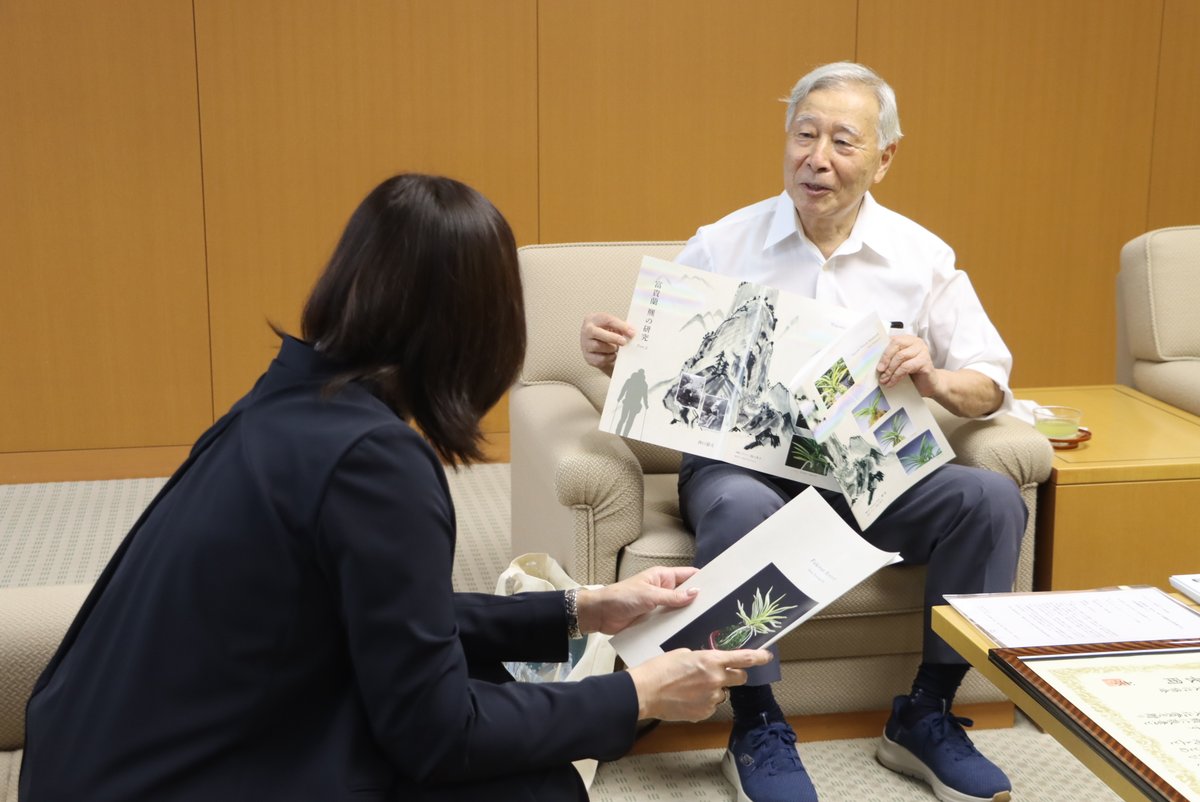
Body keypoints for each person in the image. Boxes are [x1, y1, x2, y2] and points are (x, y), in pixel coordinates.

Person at [19, 173, 773, 802]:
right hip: (183, 779)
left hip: (93, 761)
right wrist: (640, 694)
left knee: (491, 682)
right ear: (477, 327)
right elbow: (440, 736)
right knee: (534, 787)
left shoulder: (287, 399)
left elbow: (393, 618)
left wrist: (584, 610)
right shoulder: (375, 463)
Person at [580, 63, 1024, 802]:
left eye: (843, 142)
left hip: (870, 475)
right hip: (743, 471)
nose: (817, 159)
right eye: (804, 135)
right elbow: (655, 358)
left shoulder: (921, 256)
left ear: (884, 158)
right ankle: (755, 722)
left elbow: (991, 381)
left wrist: (936, 379)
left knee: (991, 500)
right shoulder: (724, 243)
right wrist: (611, 350)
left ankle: (927, 713)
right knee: (741, 507)